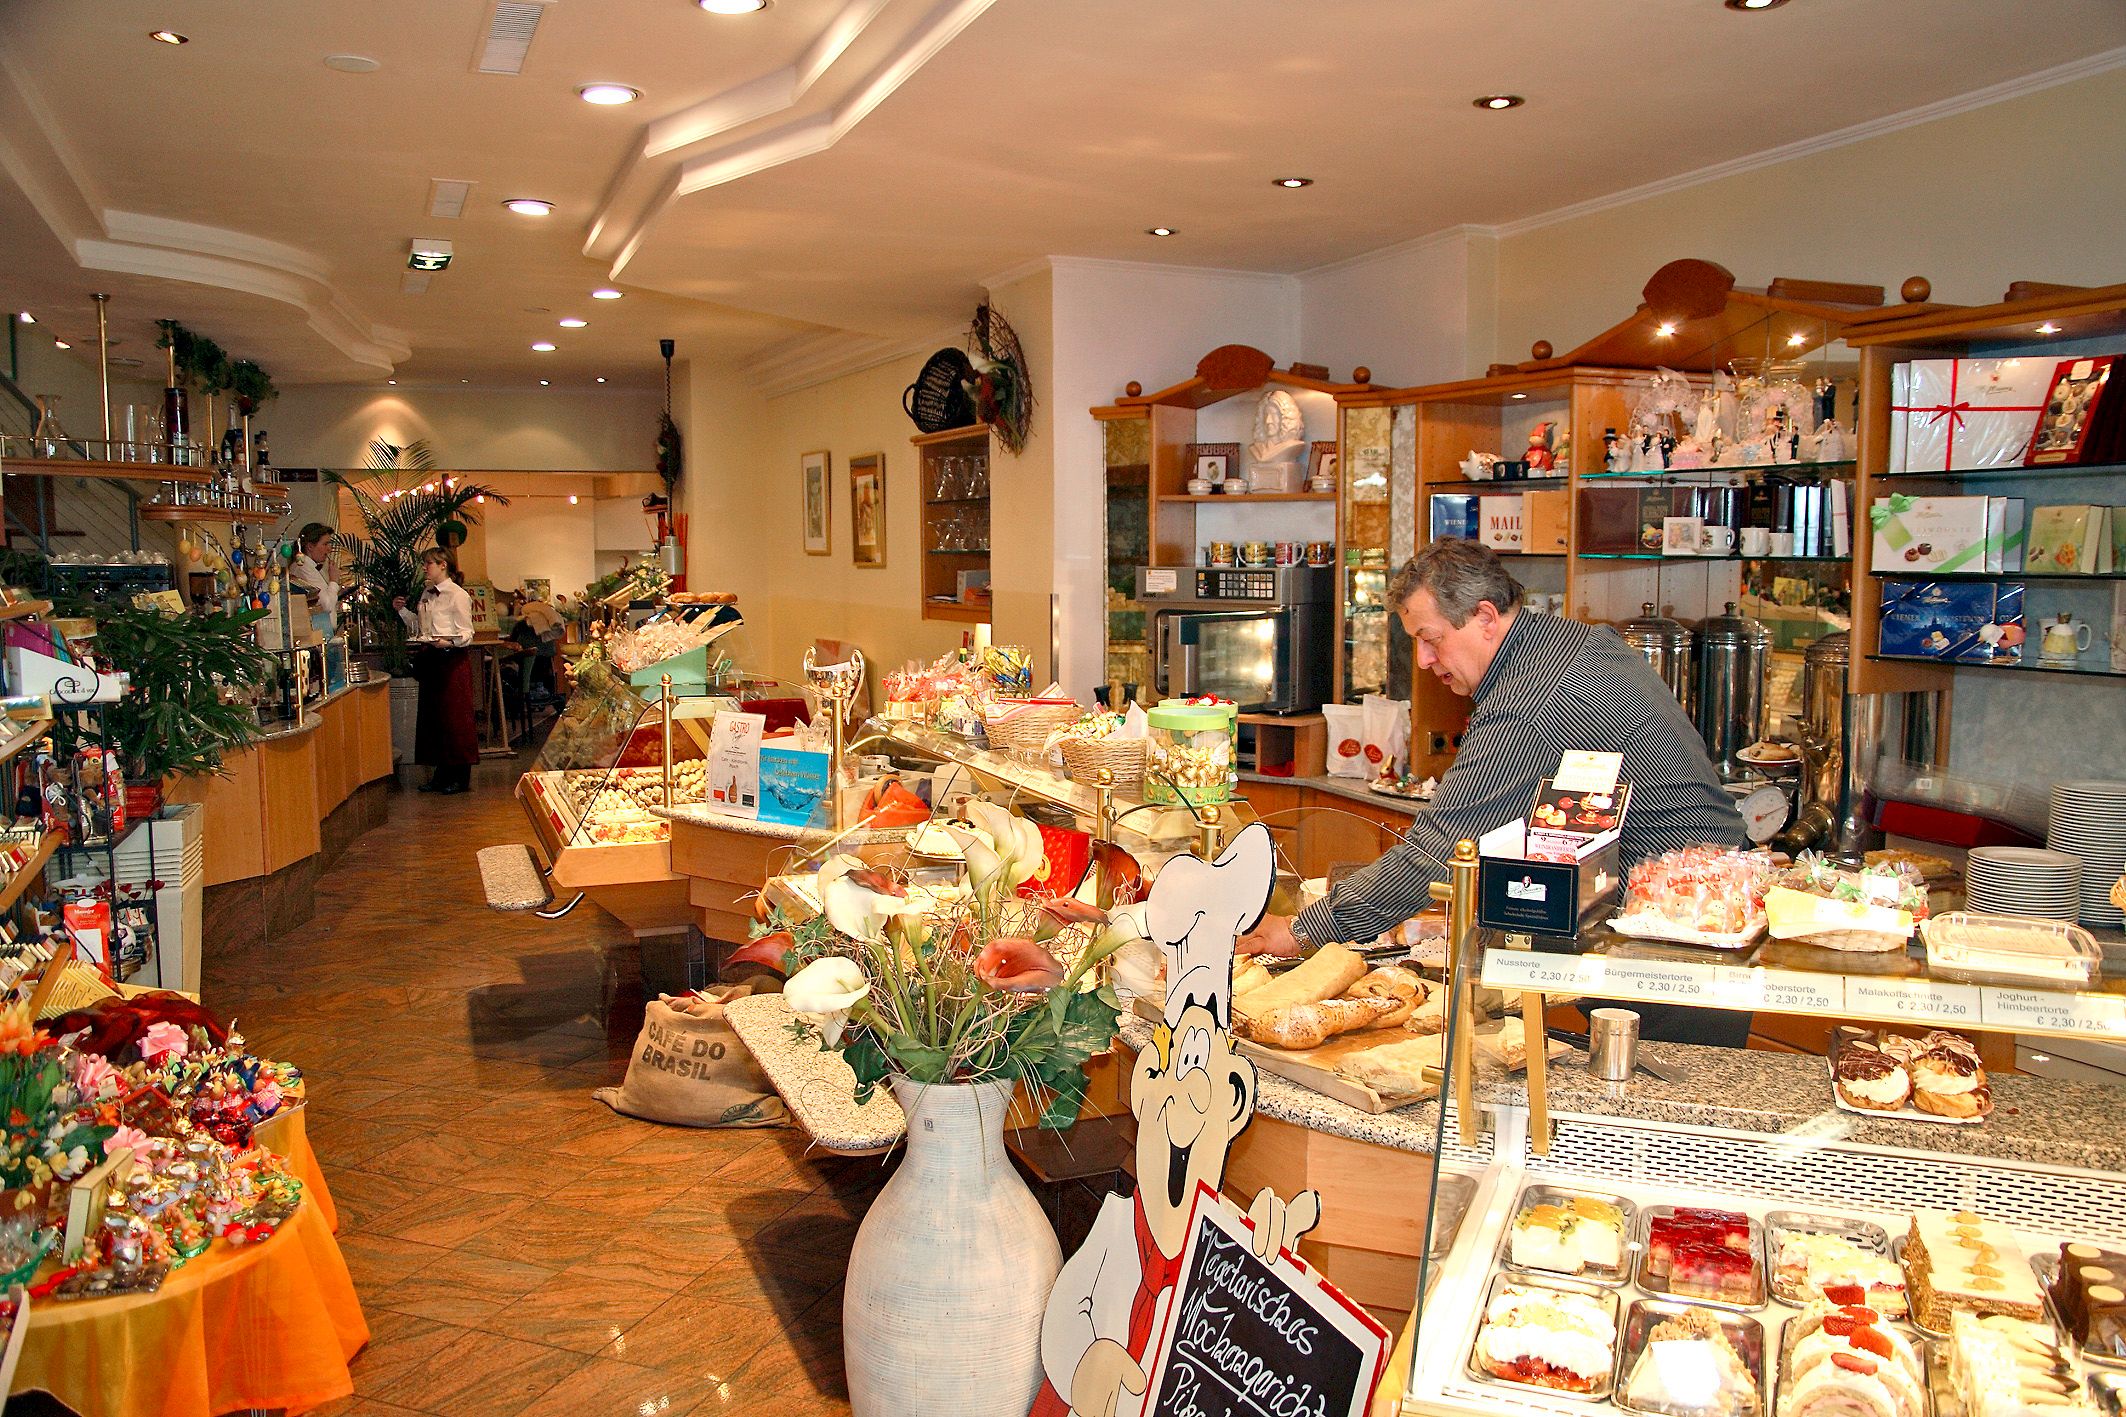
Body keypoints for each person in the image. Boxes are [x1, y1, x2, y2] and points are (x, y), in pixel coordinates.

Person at [1242, 539, 1753, 1047]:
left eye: (1431, 638)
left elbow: (1438, 853)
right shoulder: (1571, 645)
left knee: (1660, 1112)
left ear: (1486, 617)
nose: (1422, 660)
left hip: (1674, 943)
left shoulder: (1528, 700)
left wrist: (1303, 929)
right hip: (1701, 913)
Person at [394, 547, 478, 794]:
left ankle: (459, 777)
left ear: (443, 565)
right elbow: (421, 627)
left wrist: (449, 643)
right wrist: (401, 611)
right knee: (435, 719)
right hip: (432, 658)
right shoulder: (427, 593)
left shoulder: (457, 595)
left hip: (451, 660)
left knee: (455, 718)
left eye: (429, 563)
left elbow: (466, 633)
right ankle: (440, 775)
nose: (424, 568)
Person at [286, 522, 343, 635]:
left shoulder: (311, 568)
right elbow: (326, 605)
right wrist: (334, 581)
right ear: (310, 546)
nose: (329, 549)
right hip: (317, 633)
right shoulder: (303, 568)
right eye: (325, 544)